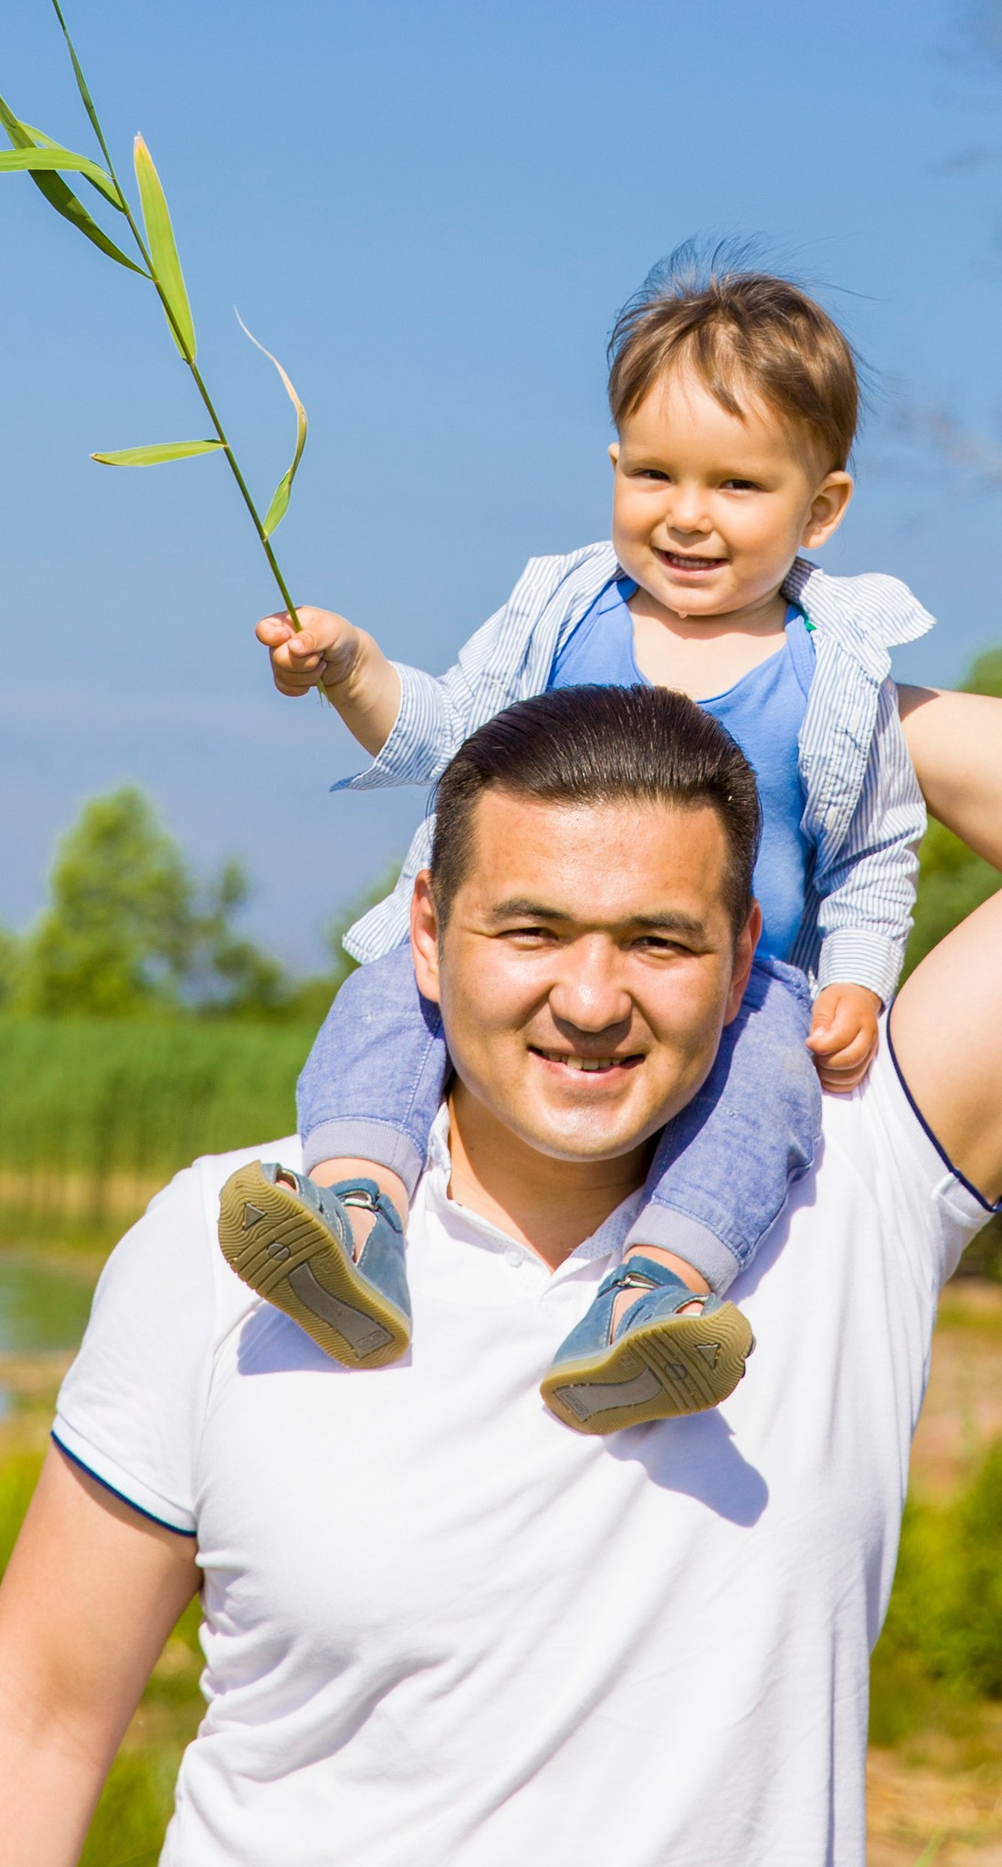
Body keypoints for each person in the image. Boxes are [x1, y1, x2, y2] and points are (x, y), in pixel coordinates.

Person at [0, 670, 1002, 1867]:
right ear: (427, 932)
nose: (589, 1000)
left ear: (749, 945)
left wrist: (765, 669)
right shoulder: (230, 1237)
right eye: (531, 929)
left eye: (658, 940)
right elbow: (39, 1716)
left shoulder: (857, 1184)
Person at [223, 251, 932, 1428]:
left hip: (741, 986)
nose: (686, 514)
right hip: (513, 944)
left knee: (768, 1103)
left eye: (738, 486)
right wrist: (351, 668)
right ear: (613, 467)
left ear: (822, 507)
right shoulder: (566, 605)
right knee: (384, 1003)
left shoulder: (836, 667)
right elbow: (450, 732)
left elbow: (875, 849)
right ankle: (353, 1215)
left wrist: (858, 978)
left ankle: (654, 1300)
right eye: (654, 472)